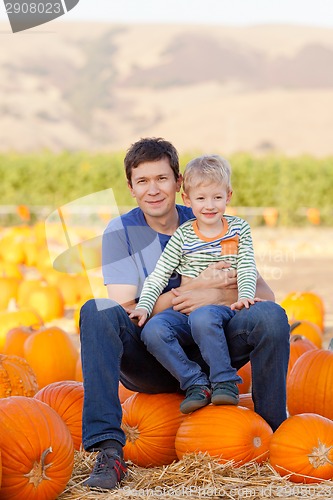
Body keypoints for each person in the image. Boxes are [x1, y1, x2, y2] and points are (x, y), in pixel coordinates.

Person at [80, 137, 290, 491]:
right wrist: (194, 290)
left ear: (179, 184)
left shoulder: (209, 219)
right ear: (130, 188)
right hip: (152, 356)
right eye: (142, 181)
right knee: (96, 311)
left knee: (270, 316)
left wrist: (216, 291)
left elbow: (266, 295)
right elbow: (128, 310)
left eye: (161, 178)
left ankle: (274, 434)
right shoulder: (121, 231)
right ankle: (109, 450)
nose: (153, 190)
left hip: (213, 351)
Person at [127, 154, 263, 414]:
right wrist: (144, 306)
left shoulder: (238, 229)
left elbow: (247, 266)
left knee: (203, 317)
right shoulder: (183, 235)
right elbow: (159, 274)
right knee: (153, 331)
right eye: (201, 199)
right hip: (184, 311)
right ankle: (195, 382)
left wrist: (244, 295)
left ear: (228, 195)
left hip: (219, 307)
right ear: (187, 200)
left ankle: (225, 381)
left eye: (217, 198)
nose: (209, 205)